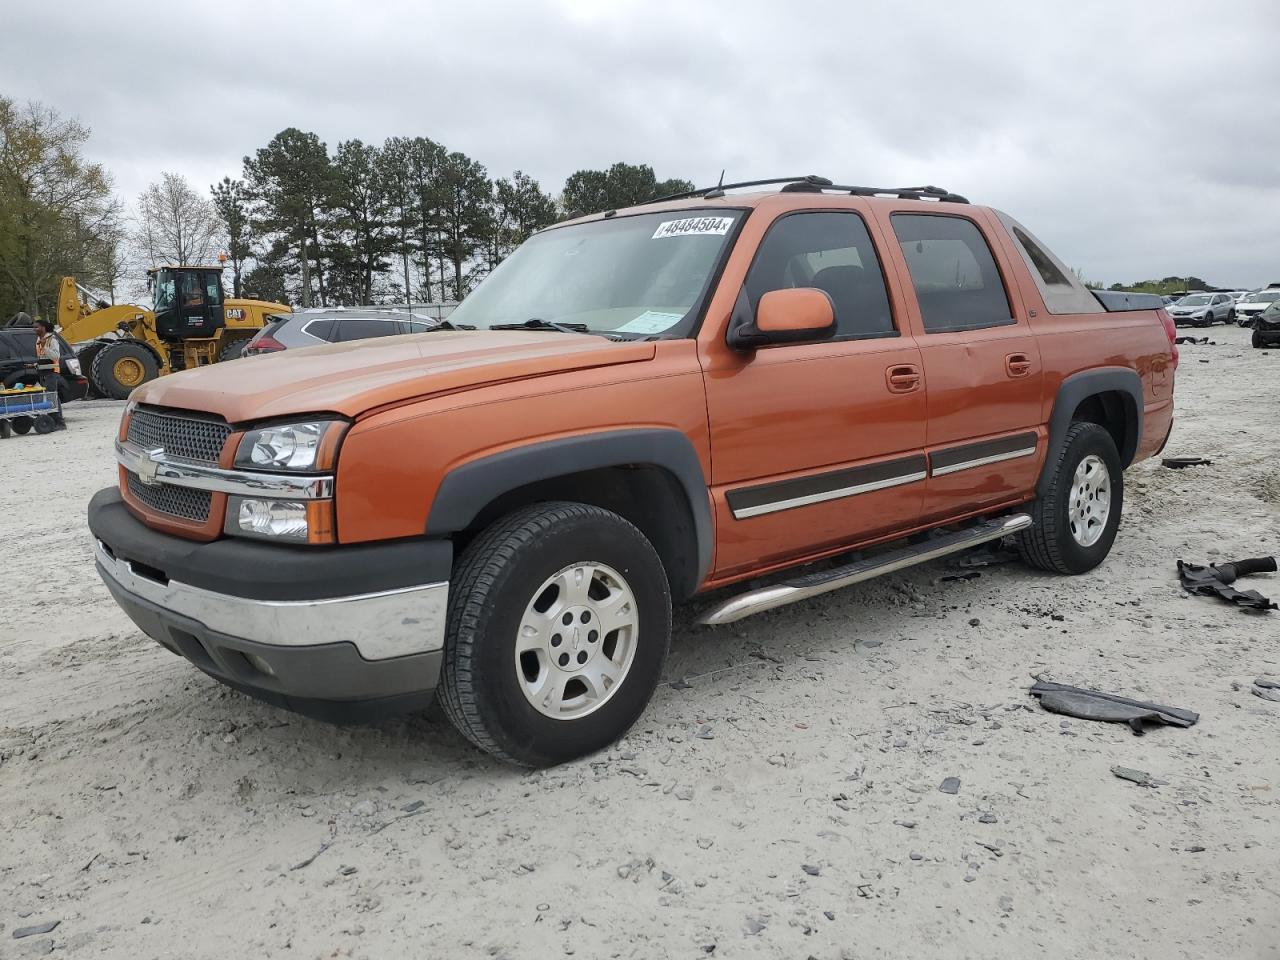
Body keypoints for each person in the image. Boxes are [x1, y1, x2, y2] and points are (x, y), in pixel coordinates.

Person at [32, 316, 66, 429]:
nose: (34, 329)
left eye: (36, 327)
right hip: (43, 372)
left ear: (43, 327)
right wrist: (36, 364)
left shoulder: (52, 339)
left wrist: (44, 347)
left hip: (52, 372)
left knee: (53, 397)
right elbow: (42, 357)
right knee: (49, 398)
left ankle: (60, 423)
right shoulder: (38, 340)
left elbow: (56, 356)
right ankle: (53, 422)